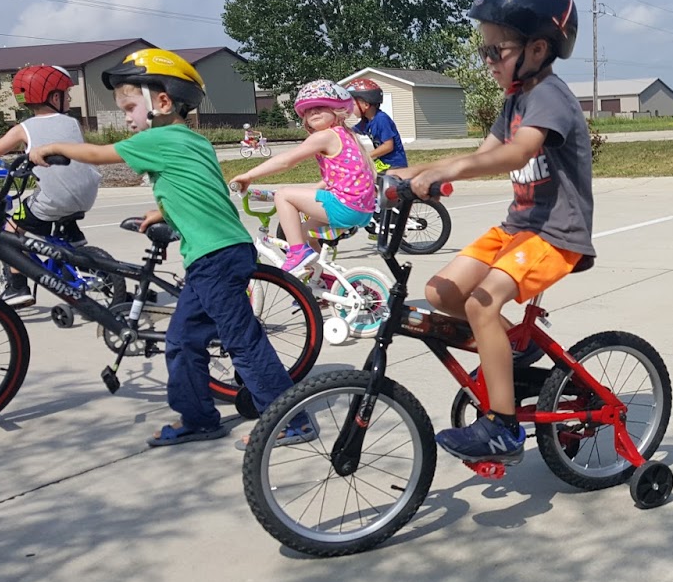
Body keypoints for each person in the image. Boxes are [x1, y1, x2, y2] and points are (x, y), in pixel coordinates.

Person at [29, 48, 312, 448]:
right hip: (217, 254)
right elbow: (200, 189)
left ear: (162, 102)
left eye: (130, 107)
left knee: (241, 340)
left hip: (214, 257)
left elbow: (97, 155)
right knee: (182, 340)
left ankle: (291, 419)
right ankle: (198, 419)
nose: (127, 118)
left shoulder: (158, 138)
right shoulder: (194, 142)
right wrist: (161, 211)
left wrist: (52, 147)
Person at [392, 0, 593, 464]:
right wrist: (410, 173)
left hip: (555, 233)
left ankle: (504, 428)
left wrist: (448, 172)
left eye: (494, 50)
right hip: (517, 228)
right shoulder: (514, 101)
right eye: (485, 50)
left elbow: (517, 152)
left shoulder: (549, 96)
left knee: (481, 303)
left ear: (538, 49)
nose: (486, 61)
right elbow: (482, 154)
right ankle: (510, 349)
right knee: (442, 293)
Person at [0, 64, 101, 307]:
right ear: (54, 97)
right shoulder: (73, 123)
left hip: (56, 200)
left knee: (10, 232)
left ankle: (18, 287)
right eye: (67, 94)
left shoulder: (24, 128)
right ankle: (71, 236)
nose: (69, 99)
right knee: (51, 199)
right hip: (88, 193)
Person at [228, 79, 378, 276]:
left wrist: (248, 176)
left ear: (338, 110)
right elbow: (344, 174)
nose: (313, 112)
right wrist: (314, 190)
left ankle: (297, 253)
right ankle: (320, 277)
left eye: (320, 107)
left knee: (283, 195)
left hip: (344, 206)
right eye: (308, 110)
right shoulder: (347, 135)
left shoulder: (325, 136)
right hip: (362, 209)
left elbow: (286, 161)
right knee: (303, 233)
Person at [346, 78, 408, 173]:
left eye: (352, 105)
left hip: (394, 166)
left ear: (366, 105)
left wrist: (365, 156)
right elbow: (350, 131)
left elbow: (388, 146)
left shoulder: (381, 119)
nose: (350, 108)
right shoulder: (366, 121)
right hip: (383, 163)